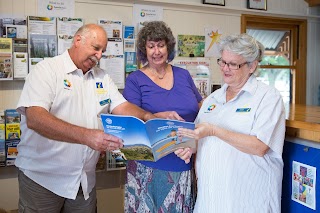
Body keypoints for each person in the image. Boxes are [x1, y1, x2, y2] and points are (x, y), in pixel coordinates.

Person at [15, 23, 155, 213]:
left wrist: (149, 116)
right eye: (96, 48)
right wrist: (87, 136)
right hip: (43, 179)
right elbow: (35, 118)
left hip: (83, 181)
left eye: (102, 51)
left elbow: (121, 106)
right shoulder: (47, 70)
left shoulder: (101, 77)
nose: (98, 56)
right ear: (78, 40)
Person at [175, 33, 286, 212]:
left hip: (249, 202)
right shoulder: (212, 99)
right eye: (223, 61)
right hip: (210, 202)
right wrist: (189, 147)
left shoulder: (267, 98)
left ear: (252, 66)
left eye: (233, 64)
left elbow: (260, 146)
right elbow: (198, 137)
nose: (225, 68)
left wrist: (214, 130)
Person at [123, 21, 203, 212]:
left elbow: (202, 110)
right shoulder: (135, 79)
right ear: (144, 49)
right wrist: (153, 116)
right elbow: (129, 120)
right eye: (151, 46)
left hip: (184, 163)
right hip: (147, 168)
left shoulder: (183, 75)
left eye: (160, 45)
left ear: (169, 47)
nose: (156, 51)